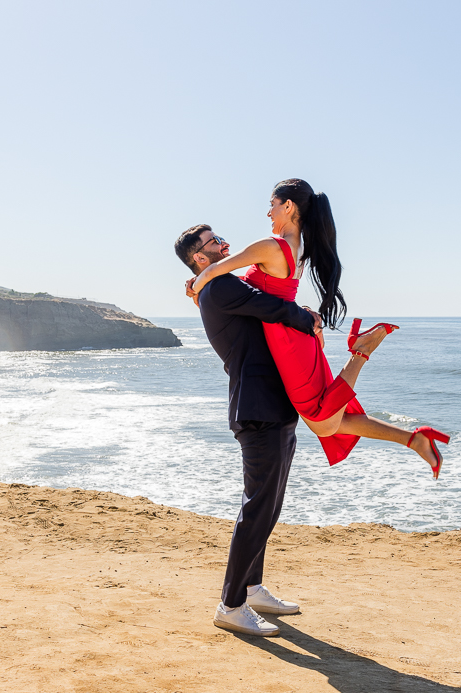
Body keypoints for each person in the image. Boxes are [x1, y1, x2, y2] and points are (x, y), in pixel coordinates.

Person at [187, 178, 449, 477]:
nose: (269, 213)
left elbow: (216, 270)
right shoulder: (298, 245)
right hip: (292, 334)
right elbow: (259, 292)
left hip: (287, 340)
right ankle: (415, 439)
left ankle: (361, 352)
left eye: (272, 206)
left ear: (288, 206)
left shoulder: (270, 246)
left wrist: (194, 285)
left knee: (323, 421)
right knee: (331, 418)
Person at [175, 223, 320, 637]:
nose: (222, 243)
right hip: (257, 409)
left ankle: (252, 588)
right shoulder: (219, 287)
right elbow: (272, 307)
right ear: (200, 258)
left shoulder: (216, 282)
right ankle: (231, 604)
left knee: (269, 504)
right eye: (212, 243)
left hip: (271, 404)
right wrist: (308, 316)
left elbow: (264, 300)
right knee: (258, 506)